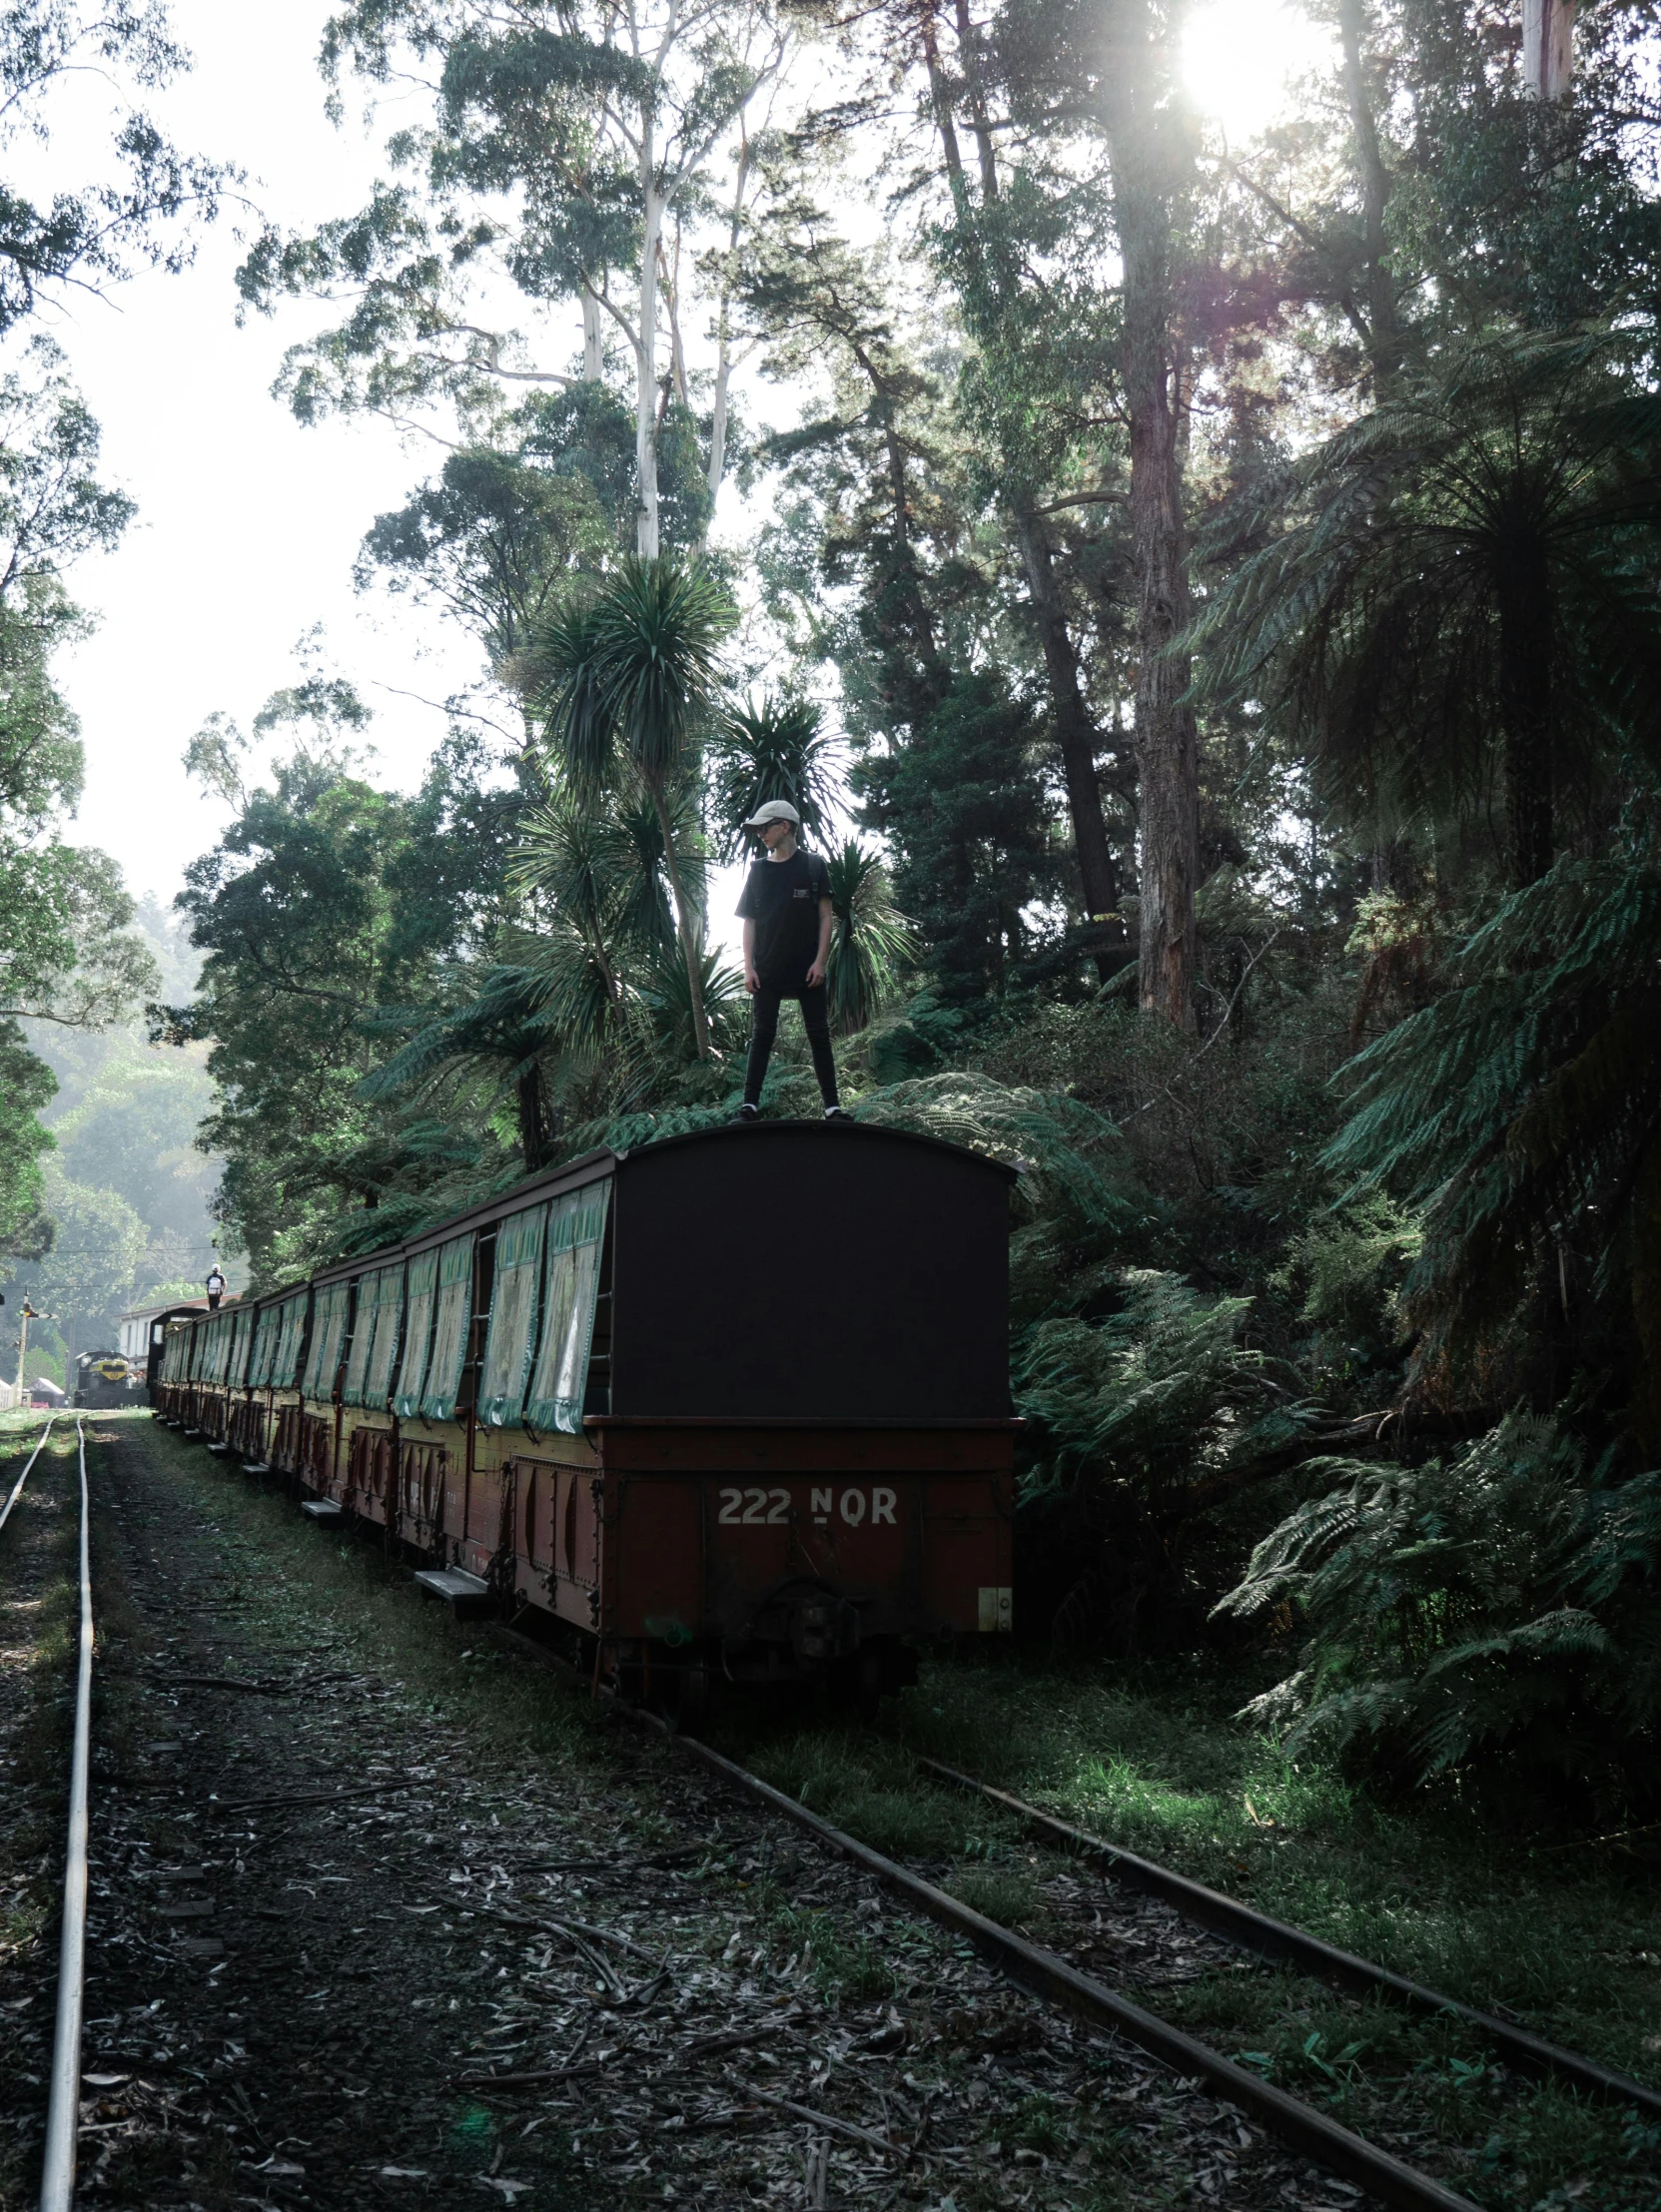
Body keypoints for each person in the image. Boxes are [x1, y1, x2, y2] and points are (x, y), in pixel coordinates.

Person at [734, 800, 846, 1120]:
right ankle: (749, 1106)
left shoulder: (813, 866)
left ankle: (833, 1108)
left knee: (819, 1035)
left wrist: (821, 962)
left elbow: (826, 917)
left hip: (808, 970)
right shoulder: (758, 870)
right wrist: (749, 967)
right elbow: (749, 921)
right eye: (758, 830)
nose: (760, 834)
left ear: (785, 826)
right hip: (766, 970)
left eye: (765, 827)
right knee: (762, 1035)